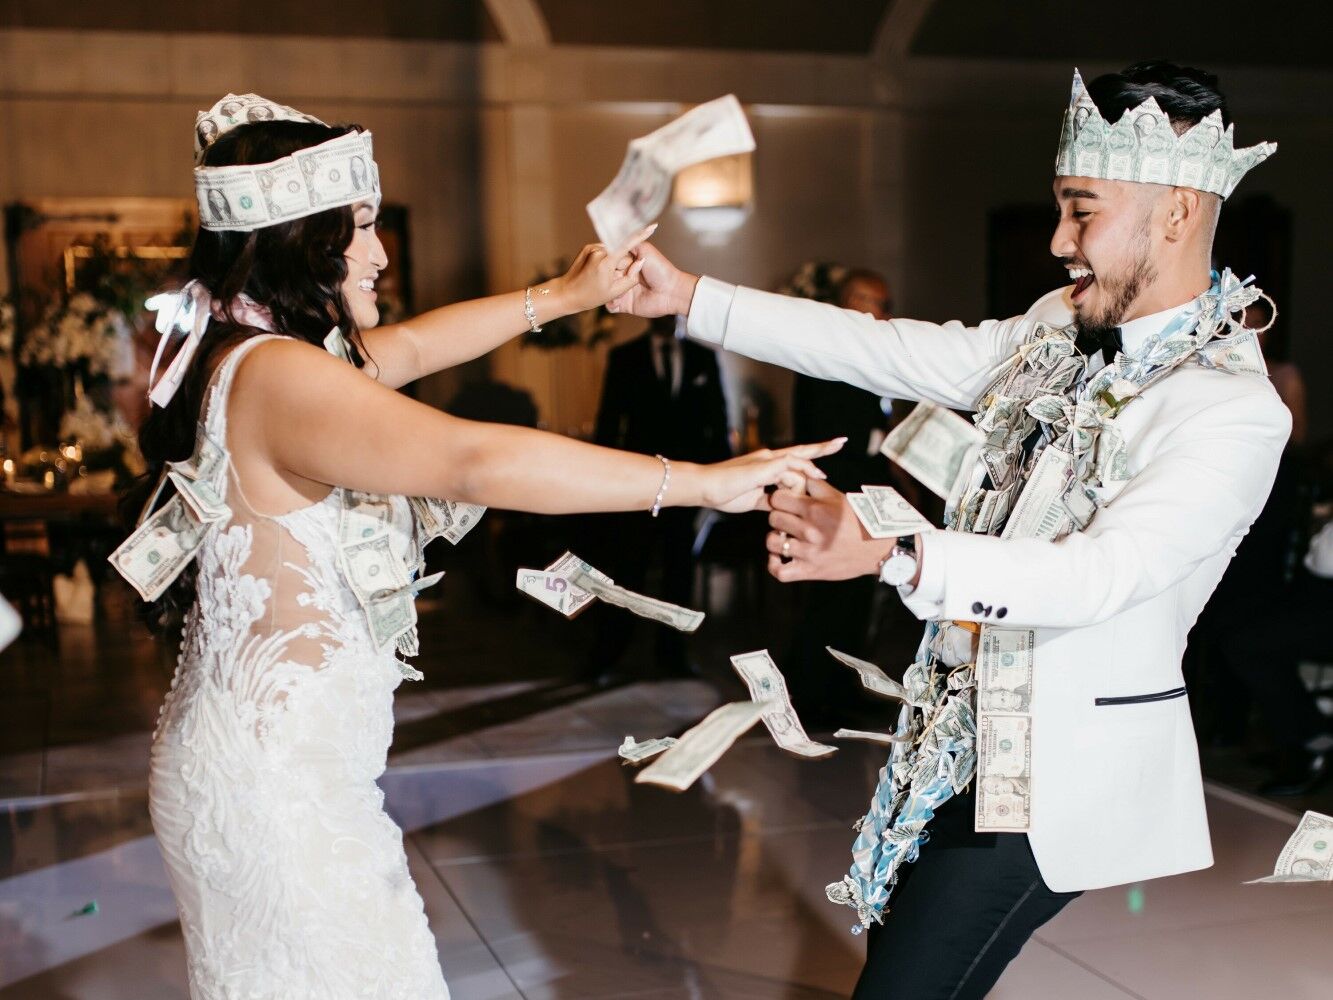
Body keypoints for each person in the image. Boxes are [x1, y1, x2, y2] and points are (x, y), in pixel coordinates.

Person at [118, 94, 838, 1000]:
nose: (381, 253)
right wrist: (702, 480)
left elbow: (412, 344)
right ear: (306, 239)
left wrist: (564, 296)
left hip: (258, 769)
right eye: (364, 228)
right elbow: (473, 457)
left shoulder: (245, 354)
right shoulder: (281, 377)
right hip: (278, 795)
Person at [612, 62, 1287, 999]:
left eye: (1079, 209)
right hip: (953, 742)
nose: (1057, 240)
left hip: (1059, 778)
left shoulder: (1231, 410)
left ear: (1174, 214)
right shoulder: (1055, 327)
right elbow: (891, 348)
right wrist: (693, 298)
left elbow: (1101, 574)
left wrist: (889, 553)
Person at [589, 313, 730, 679]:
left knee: (678, 573)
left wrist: (722, 484)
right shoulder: (625, 356)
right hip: (638, 486)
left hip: (687, 486)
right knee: (628, 570)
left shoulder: (703, 357)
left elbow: (718, 419)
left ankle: (673, 654)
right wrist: (605, 481)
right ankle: (609, 653)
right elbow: (609, 422)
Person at [788, 269, 897, 725]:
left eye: (885, 304)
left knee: (856, 600)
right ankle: (811, 699)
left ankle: (843, 690)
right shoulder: (822, 357)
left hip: (865, 491)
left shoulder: (867, 357)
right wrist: (880, 440)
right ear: (848, 302)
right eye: (873, 302)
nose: (882, 314)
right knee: (829, 600)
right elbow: (829, 432)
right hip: (835, 492)